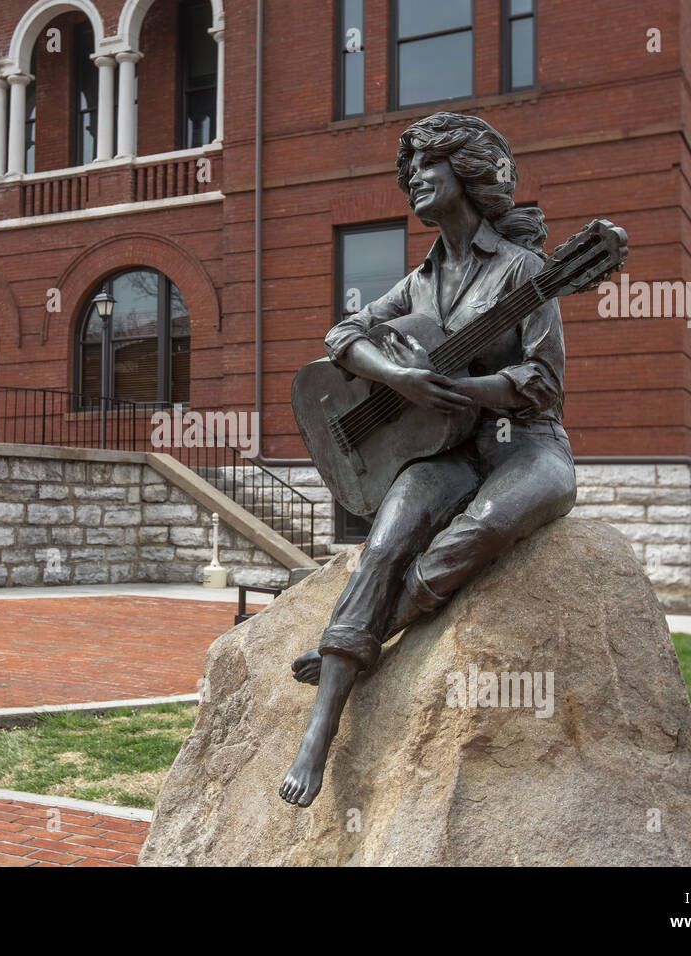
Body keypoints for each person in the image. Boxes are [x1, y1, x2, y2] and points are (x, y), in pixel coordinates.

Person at [278, 113, 578, 808]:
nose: (414, 177)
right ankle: (318, 733)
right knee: (384, 542)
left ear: (467, 176)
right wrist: (397, 379)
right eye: (410, 167)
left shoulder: (524, 271)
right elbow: (343, 332)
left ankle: (360, 641)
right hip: (450, 445)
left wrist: (459, 386)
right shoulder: (419, 283)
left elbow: (543, 383)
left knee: (476, 531)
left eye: (428, 166)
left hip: (527, 444)